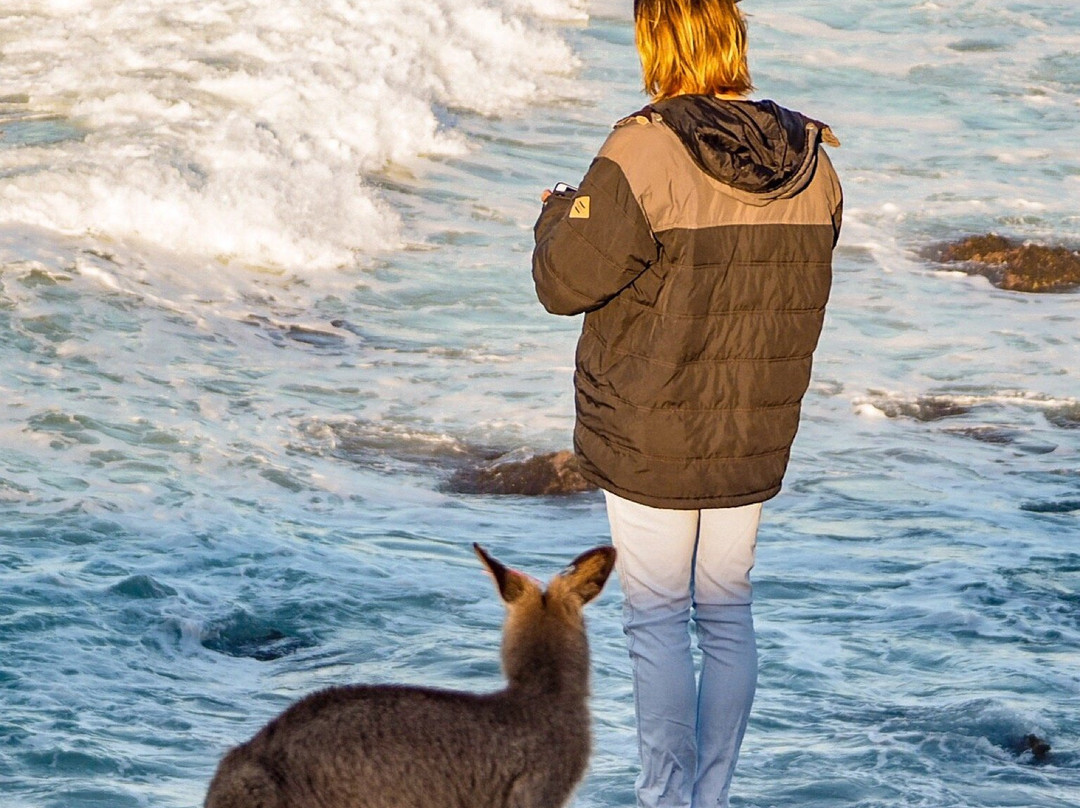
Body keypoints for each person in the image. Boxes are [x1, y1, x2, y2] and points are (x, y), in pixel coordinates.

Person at [530, 1, 843, 806]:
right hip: (753, 430)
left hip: (651, 431)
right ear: (731, 37)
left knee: (659, 616)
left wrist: (559, 209)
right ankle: (709, 798)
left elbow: (564, 282)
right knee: (727, 613)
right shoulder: (814, 158)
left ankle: (665, 801)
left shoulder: (644, 148)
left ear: (656, 40)